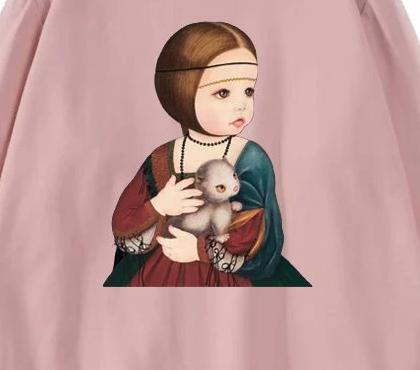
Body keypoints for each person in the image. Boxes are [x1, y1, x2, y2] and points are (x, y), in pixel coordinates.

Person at [103, 21, 310, 287]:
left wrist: (200, 251)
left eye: (249, 91)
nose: (241, 105)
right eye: (223, 92)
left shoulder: (251, 157)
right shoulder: (162, 158)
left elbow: (261, 235)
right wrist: (158, 207)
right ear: (181, 92)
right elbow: (123, 223)